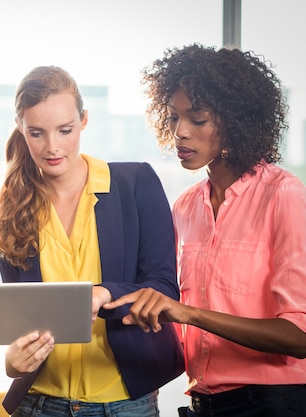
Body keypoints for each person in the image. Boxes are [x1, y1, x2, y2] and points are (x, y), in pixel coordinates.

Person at [104, 43, 306, 417]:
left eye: (197, 119)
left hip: (273, 404)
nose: (180, 132)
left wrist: (188, 313)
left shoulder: (285, 195)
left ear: (234, 121)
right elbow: (172, 310)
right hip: (202, 405)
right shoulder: (184, 206)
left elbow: (299, 336)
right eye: (173, 117)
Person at [0, 65, 184, 417]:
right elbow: (21, 319)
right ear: (20, 127)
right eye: (36, 133)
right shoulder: (12, 208)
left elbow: (165, 288)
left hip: (126, 405)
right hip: (39, 405)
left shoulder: (135, 183)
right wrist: (14, 358)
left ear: (84, 120)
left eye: (65, 130)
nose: (52, 147)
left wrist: (106, 292)